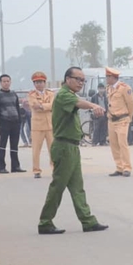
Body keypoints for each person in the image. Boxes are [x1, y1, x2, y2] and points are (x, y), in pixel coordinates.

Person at [37, 67, 109, 235]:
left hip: (72, 147)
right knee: (58, 186)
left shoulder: (69, 94)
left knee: (77, 187)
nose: (81, 83)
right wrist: (93, 105)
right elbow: (79, 103)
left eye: (83, 80)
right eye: (78, 79)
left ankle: (87, 220)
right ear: (68, 79)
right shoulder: (63, 94)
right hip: (63, 147)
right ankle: (45, 222)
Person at [0, 74, 26, 174]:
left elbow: (17, 108)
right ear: (0, 83)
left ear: (10, 82)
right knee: (3, 145)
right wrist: (0, 123)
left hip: (15, 122)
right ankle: (1, 167)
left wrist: (19, 120)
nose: (6, 83)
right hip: (4, 123)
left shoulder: (13, 94)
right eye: (4, 81)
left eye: (8, 81)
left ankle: (15, 166)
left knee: (14, 145)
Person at [106, 67, 133, 177]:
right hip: (111, 120)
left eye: (108, 77)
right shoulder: (109, 88)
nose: (106, 79)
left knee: (123, 144)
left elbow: (131, 104)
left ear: (113, 77)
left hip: (122, 119)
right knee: (114, 145)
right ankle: (119, 167)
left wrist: (129, 117)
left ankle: (127, 167)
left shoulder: (124, 88)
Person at [28, 72, 55, 179]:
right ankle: (36, 170)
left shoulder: (51, 94)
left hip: (50, 125)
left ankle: (55, 169)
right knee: (36, 150)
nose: (39, 84)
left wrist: (42, 106)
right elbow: (34, 106)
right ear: (34, 84)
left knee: (53, 149)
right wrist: (46, 106)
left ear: (45, 83)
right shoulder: (31, 95)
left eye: (41, 82)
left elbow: (53, 105)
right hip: (37, 126)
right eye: (37, 82)